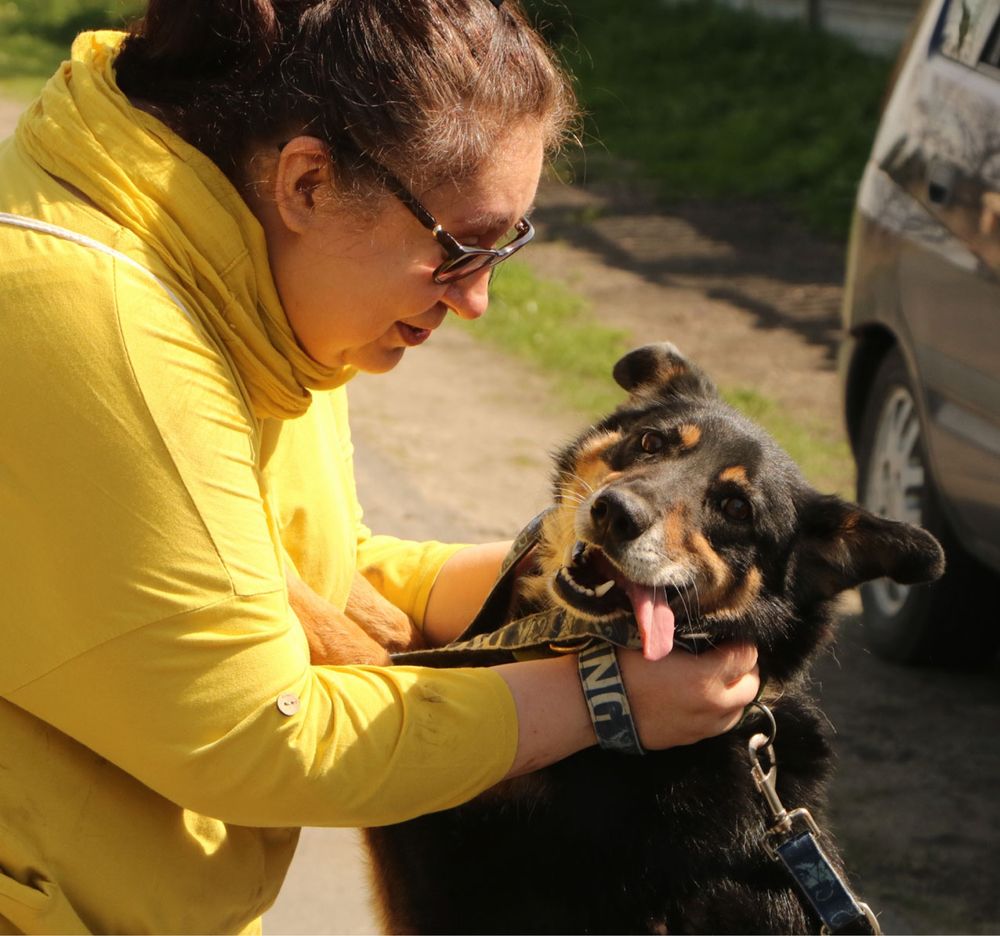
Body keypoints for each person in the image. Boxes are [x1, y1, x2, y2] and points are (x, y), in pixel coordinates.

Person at [0, 1, 760, 932]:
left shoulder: (248, 266)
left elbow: (300, 560)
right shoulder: (104, 326)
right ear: (310, 182)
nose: (477, 298)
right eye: (461, 246)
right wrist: (601, 699)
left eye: (505, 246)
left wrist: (563, 574)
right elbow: (261, 736)